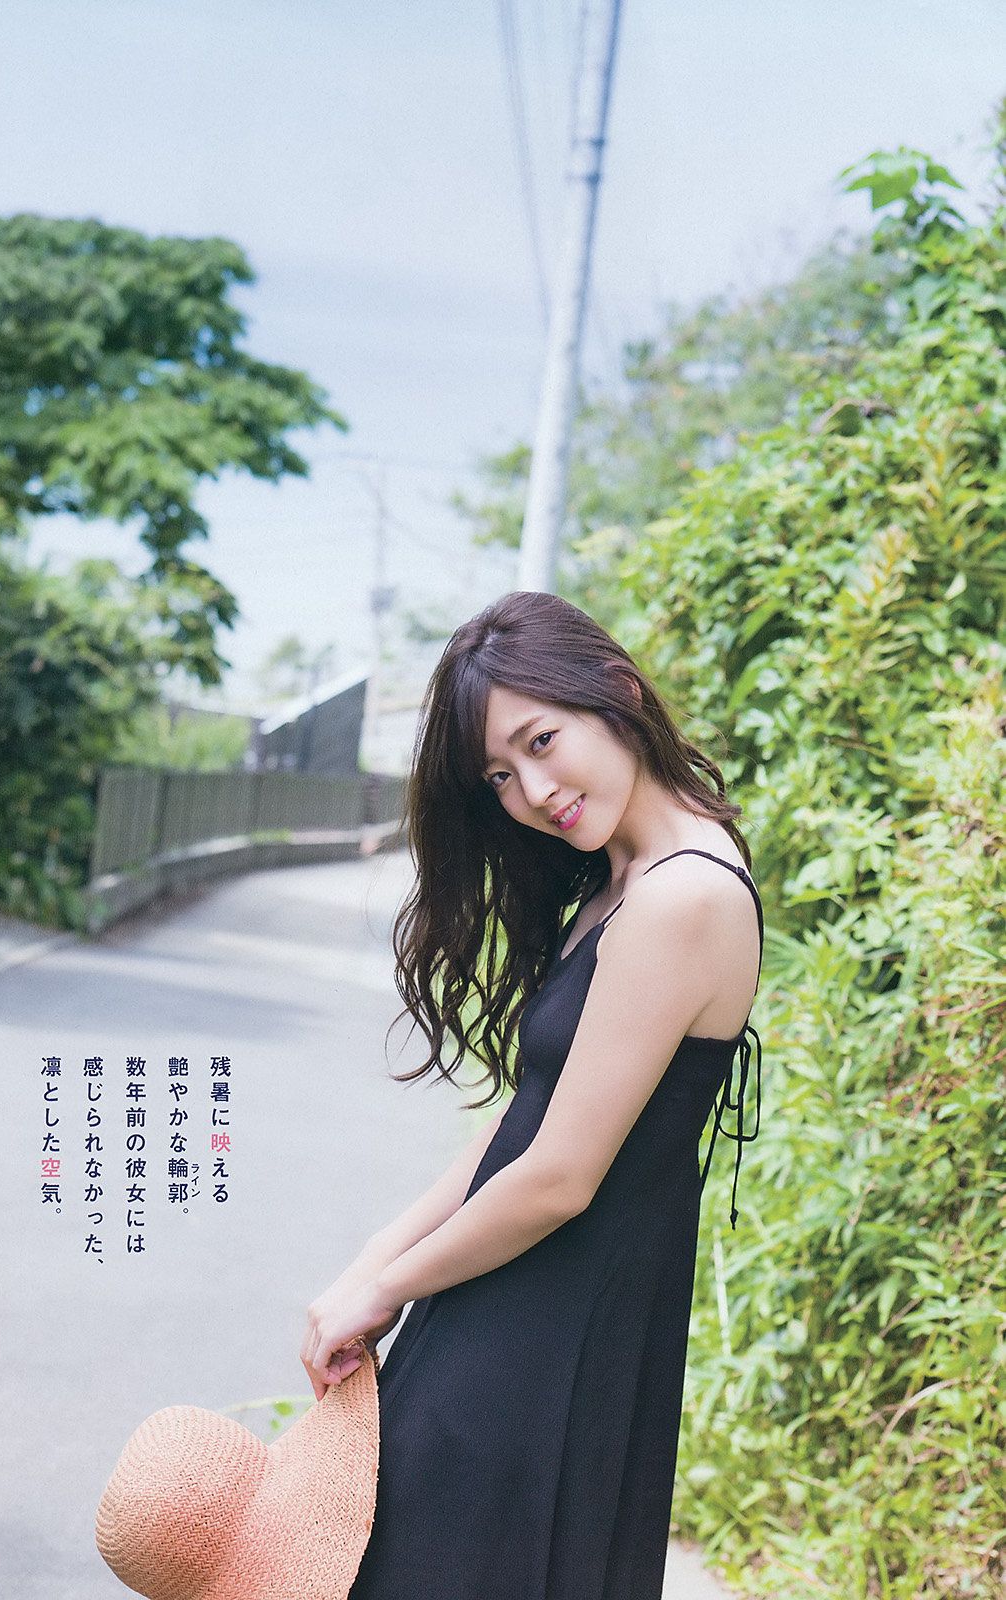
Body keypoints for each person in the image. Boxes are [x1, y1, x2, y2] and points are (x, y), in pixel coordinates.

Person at [299, 590, 764, 1600]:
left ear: (618, 692)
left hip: (554, 1331)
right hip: (515, 1300)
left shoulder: (682, 896)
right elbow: (523, 1125)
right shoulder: (621, 881)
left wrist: (385, 1289)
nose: (533, 790)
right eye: (500, 776)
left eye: (541, 741)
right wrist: (377, 1259)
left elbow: (557, 1175)